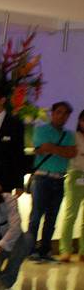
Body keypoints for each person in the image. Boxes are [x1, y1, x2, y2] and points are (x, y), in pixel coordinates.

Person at [28, 101, 77, 262]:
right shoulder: (41, 130)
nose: (62, 116)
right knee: (36, 216)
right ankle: (29, 250)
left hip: (59, 178)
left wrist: (53, 148)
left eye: (66, 113)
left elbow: (72, 153)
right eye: (59, 112)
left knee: (52, 217)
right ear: (53, 113)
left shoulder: (69, 135)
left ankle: (45, 250)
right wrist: (61, 150)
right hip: (42, 178)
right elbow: (42, 148)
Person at [60, 110, 84, 262]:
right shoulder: (73, 136)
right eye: (83, 120)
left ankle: (83, 251)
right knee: (70, 215)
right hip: (75, 175)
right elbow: (71, 153)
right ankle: (65, 250)